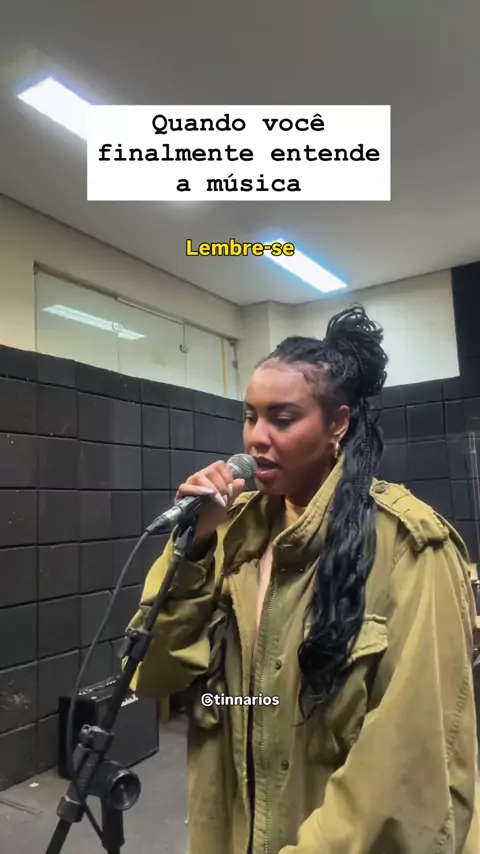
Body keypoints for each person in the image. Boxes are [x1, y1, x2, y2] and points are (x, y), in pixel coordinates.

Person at [128, 305, 479, 853]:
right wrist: (194, 548)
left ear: (337, 424)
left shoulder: (409, 547)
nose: (256, 439)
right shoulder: (229, 535)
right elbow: (153, 675)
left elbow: (407, 766)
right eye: (250, 417)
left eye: (282, 419)